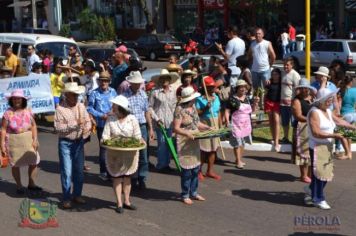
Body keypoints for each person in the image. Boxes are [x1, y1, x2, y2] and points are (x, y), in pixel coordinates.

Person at [306, 88, 356, 209]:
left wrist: (352, 128)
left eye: (331, 98)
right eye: (328, 99)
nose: (331, 101)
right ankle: (318, 199)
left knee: (326, 173)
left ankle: (311, 190)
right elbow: (316, 132)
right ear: (321, 100)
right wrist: (333, 135)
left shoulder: (327, 111)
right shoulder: (314, 112)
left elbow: (339, 121)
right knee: (320, 174)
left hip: (327, 146)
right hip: (317, 147)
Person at [102, 95, 143, 214]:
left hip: (129, 154)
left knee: (127, 177)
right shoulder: (111, 119)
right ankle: (119, 203)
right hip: (114, 154)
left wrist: (139, 140)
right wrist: (107, 141)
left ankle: (127, 201)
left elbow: (137, 136)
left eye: (114, 105)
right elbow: (105, 136)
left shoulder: (132, 119)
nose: (112, 107)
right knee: (117, 177)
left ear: (120, 107)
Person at [54, 82, 92, 209]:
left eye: (77, 95)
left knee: (79, 171)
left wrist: (86, 131)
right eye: (73, 95)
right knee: (67, 171)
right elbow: (59, 128)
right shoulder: (60, 109)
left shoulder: (81, 106)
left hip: (79, 141)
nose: (76, 97)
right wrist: (75, 124)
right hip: (65, 142)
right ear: (67, 95)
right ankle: (66, 198)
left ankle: (77, 195)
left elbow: (87, 122)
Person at [173, 87, 211, 205]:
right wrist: (187, 133)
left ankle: (193, 192)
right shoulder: (179, 109)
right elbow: (176, 128)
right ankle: (185, 194)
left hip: (194, 139)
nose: (195, 99)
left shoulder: (193, 107)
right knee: (187, 170)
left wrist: (207, 127)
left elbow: (196, 122)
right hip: (184, 140)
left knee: (195, 169)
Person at [1, 90, 41, 195]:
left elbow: (33, 126)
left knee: (33, 162)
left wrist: (35, 139)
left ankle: (31, 184)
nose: (16, 100)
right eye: (14, 98)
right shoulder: (7, 113)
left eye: (18, 98)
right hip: (13, 141)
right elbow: (3, 129)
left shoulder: (28, 110)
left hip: (28, 139)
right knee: (15, 164)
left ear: (22, 100)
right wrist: (2, 145)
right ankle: (19, 185)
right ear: (11, 100)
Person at [122, 71, 154, 189]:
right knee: (131, 153)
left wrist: (150, 128)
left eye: (138, 83)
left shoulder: (143, 95)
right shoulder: (124, 96)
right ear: (130, 83)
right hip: (130, 127)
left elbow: (147, 112)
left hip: (142, 126)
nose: (137, 85)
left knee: (143, 154)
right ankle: (132, 177)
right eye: (134, 83)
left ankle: (142, 177)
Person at [87, 71, 117, 180]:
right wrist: (101, 115)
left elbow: (117, 105)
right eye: (102, 81)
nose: (104, 83)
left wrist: (113, 111)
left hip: (113, 123)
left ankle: (112, 171)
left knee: (113, 148)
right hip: (101, 124)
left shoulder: (113, 92)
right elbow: (89, 108)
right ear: (99, 81)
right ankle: (103, 171)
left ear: (109, 82)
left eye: (106, 81)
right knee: (104, 148)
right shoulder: (94, 93)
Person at [149, 69, 178, 171]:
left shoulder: (173, 92)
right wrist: (156, 119)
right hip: (159, 121)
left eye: (166, 78)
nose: (164, 80)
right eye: (163, 78)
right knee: (161, 143)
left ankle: (166, 164)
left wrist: (175, 120)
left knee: (168, 143)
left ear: (170, 80)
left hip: (170, 121)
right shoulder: (155, 92)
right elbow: (150, 107)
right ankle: (161, 165)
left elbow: (175, 107)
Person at [225, 80, 258, 169]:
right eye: (241, 87)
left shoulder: (247, 98)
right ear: (237, 88)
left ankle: (238, 159)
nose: (243, 89)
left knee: (243, 143)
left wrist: (255, 103)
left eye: (244, 87)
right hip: (236, 123)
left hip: (245, 124)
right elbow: (227, 111)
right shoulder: (232, 99)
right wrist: (227, 121)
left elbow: (253, 110)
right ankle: (238, 161)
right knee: (237, 143)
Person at [195, 76, 221, 180]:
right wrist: (205, 108)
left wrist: (220, 125)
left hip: (215, 124)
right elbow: (197, 114)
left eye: (213, 86)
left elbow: (218, 112)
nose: (212, 88)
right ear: (205, 87)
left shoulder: (216, 97)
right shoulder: (200, 99)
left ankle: (210, 171)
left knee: (213, 149)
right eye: (209, 87)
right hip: (204, 123)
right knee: (204, 150)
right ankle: (198, 170)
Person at [291, 79, 315, 183]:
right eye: (303, 88)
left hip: (312, 128)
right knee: (303, 152)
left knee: (312, 152)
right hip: (301, 128)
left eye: (306, 88)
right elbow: (298, 115)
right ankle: (303, 175)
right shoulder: (296, 100)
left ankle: (310, 174)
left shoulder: (312, 99)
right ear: (300, 89)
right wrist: (311, 119)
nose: (305, 90)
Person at [280, 57, 301, 144]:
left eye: (287, 65)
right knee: (284, 122)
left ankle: (294, 139)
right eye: (284, 64)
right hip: (282, 103)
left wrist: (295, 101)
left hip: (291, 103)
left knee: (293, 123)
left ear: (292, 65)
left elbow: (298, 90)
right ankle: (285, 137)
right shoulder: (282, 73)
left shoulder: (295, 75)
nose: (285, 66)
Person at [264, 68, 282, 151]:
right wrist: (264, 104)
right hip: (269, 102)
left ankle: (277, 142)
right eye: (273, 74)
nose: (274, 76)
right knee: (271, 121)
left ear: (279, 75)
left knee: (276, 120)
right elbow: (265, 93)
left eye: (276, 74)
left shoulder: (282, 83)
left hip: (277, 103)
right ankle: (273, 137)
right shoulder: (269, 82)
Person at [339, 75, 356, 160]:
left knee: (342, 134)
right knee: (348, 134)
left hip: (345, 114)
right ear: (351, 82)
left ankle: (347, 153)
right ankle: (349, 153)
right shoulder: (355, 90)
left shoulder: (342, 91)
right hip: (353, 114)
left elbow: (339, 104)